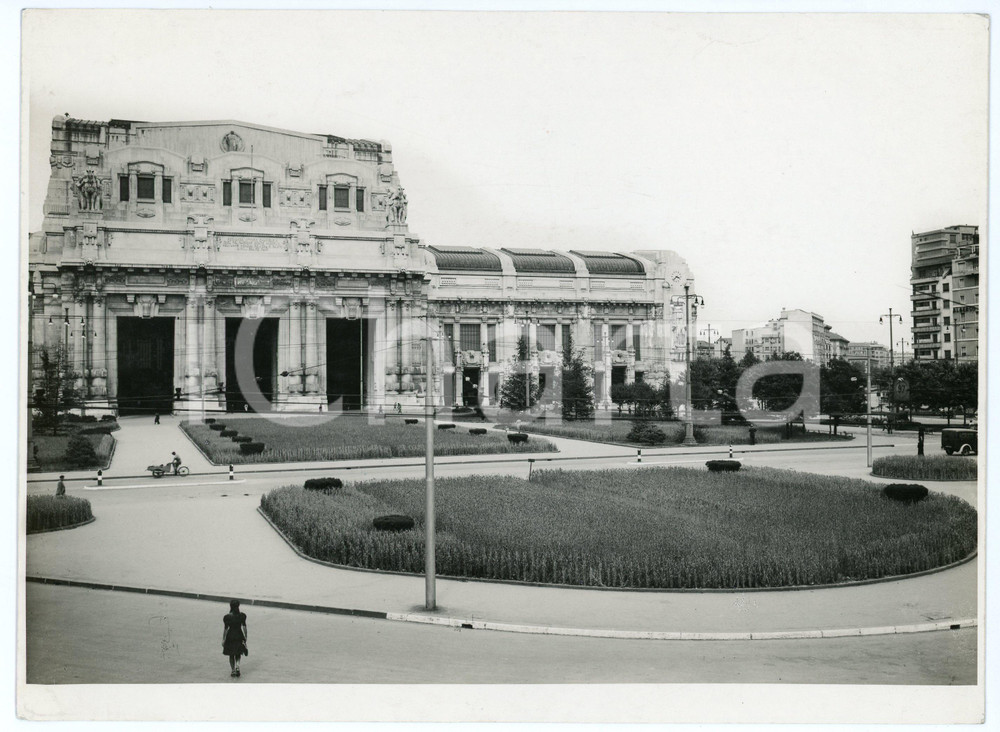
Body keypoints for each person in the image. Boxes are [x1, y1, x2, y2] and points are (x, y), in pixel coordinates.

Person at [222, 600, 248, 677]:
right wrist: (245, 637)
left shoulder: (227, 617)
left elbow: (226, 629)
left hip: (230, 636)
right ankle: (237, 667)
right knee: (238, 653)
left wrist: (223, 639)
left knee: (231, 654)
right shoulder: (242, 616)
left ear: (230, 606)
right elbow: (244, 627)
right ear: (238, 606)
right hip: (239, 635)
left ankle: (233, 670)